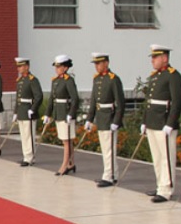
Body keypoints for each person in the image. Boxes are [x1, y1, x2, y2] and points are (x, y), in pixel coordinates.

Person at [141, 44, 181, 203]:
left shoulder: (173, 76)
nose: (152, 60)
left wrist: (170, 122)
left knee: (166, 157)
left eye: (155, 57)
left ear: (164, 58)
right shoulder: (155, 76)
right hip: (153, 121)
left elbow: (177, 101)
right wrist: (145, 121)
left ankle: (166, 188)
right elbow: (149, 101)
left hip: (164, 121)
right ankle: (160, 185)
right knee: (157, 157)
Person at [84, 53, 125, 188]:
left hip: (109, 117)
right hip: (101, 117)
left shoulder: (113, 79)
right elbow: (94, 100)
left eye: (99, 63)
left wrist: (116, 121)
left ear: (106, 63)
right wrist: (89, 119)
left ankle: (109, 176)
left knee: (109, 149)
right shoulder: (96, 79)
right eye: (95, 64)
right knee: (105, 149)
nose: (96, 66)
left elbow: (120, 102)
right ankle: (111, 173)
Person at [44, 54, 79, 175]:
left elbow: (75, 98)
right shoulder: (55, 81)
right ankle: (71, 163)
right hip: (58, 112)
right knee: (66, 140)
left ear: (65, 68)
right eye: (56, 67)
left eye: (59, 67)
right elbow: (51, 98)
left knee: (66, 141)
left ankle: (65, 165)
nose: (56, 69)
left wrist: (71, 113)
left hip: (66, 113)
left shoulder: (69, 80)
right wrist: (47, 114)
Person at [14, 57, 43, 167]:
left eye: (21, 66)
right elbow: (18, 98)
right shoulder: (20, 80)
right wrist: (15, 112)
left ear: (27, 67)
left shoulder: (32, 80)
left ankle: (30, 157)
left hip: (28, 110)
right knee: (23, 135)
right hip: (21, 110)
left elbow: (38, 96)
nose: (19, 68)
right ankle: (26, 155)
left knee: (29, 135)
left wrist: (33, 109)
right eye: (18, 66)